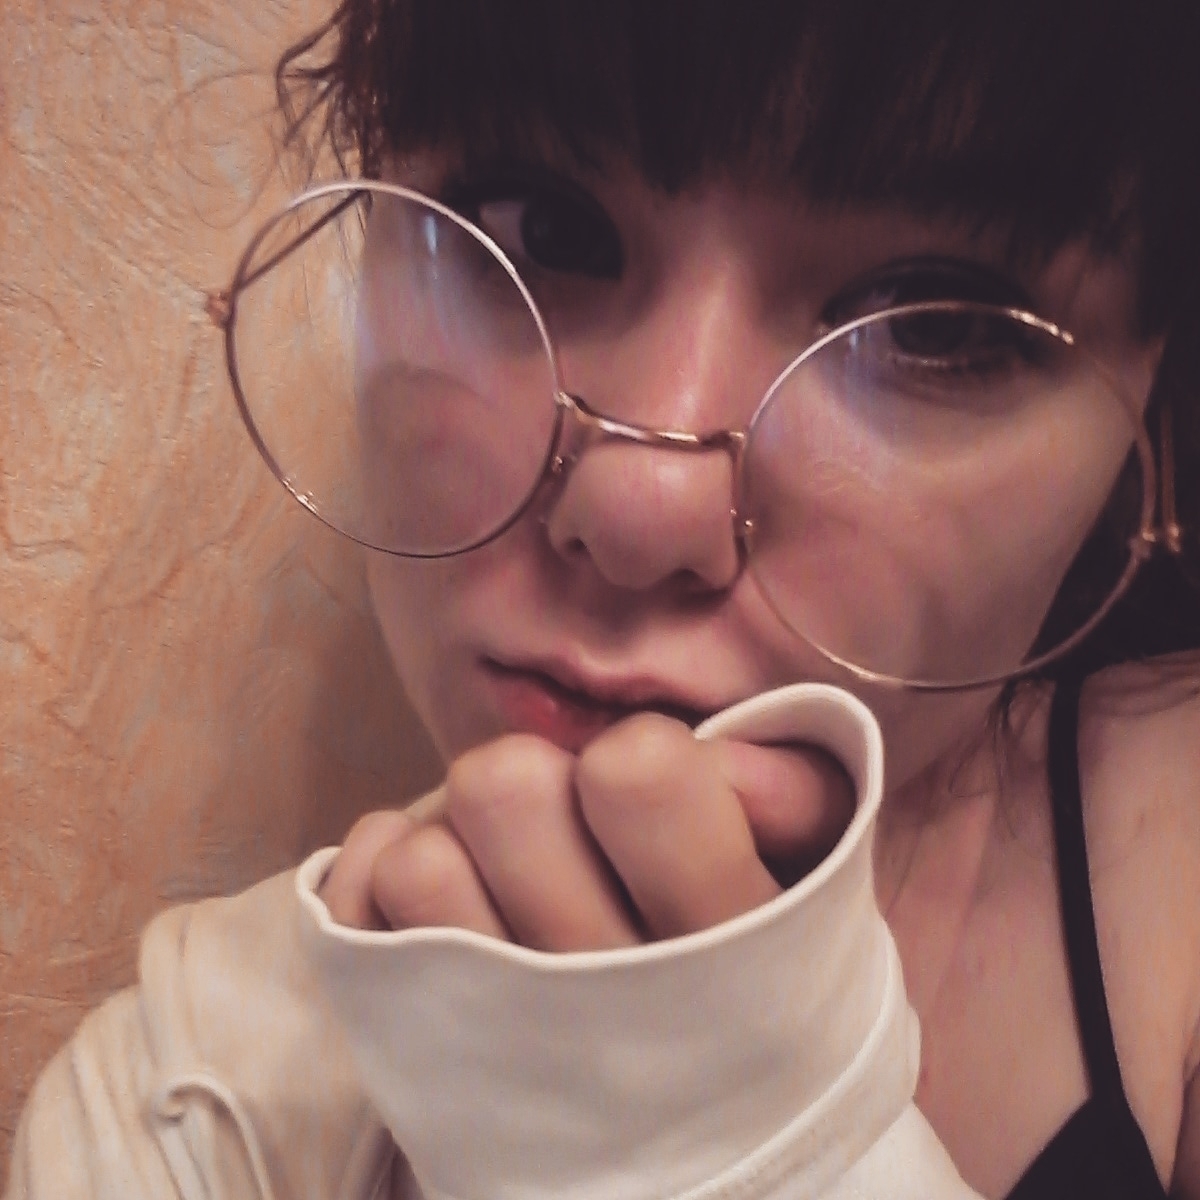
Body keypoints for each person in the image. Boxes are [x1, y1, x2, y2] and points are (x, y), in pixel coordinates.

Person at [8, 1, 1200, 1197]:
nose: (640, 506)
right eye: (544, 224)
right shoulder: (176, 1101)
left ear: (1149, 408)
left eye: (932, 325)